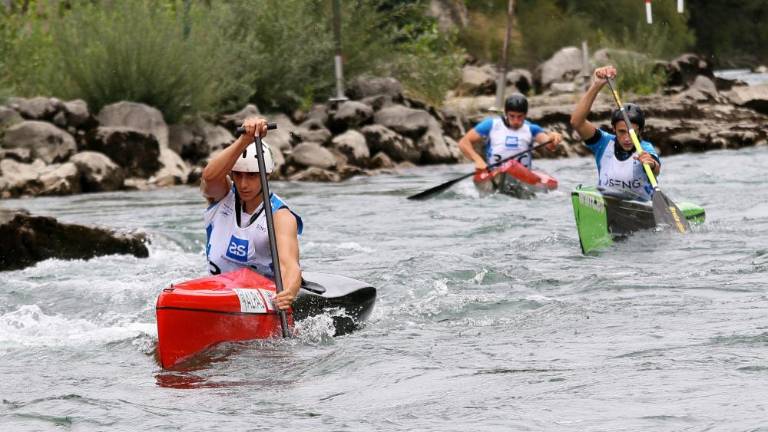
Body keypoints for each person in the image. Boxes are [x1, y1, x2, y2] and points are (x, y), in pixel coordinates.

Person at [200, 116, 303, 311]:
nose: (243, 184)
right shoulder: (221, 196)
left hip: (259, 301)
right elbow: (209, 177)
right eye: (238, 175)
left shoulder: (280, 216)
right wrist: (244, 140)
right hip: (218, 293)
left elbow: (289, 265)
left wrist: (288, 292)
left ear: (267, 175)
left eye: (252, 175)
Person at [570, 65, 661, 201]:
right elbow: (576, 122)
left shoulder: (645, 149)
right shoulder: (603, 143)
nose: (627, 138)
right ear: (613, 129)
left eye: (632, 132)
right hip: (608, 200)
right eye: (622, 132)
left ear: (640, 131)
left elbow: (656, 170)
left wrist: (651, 164)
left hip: (641, 206)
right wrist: (597, 85)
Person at [458, 93, 562, 171]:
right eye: (512, 116)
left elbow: (550, 145)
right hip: (495, 173)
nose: (516, 121)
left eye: (520, 116)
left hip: (523, 175)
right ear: (506, 113)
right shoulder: (490, 125)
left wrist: (553, 137)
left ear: (525, 114)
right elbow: (463, 142)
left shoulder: (532, 128)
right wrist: (478, 160)